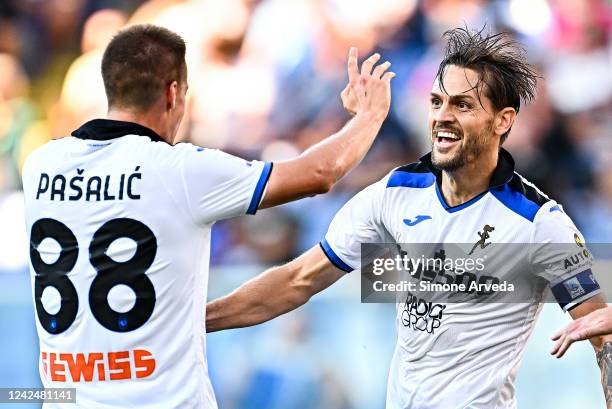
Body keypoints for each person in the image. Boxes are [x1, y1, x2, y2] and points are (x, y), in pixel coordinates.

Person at [206, 27, 612, 408]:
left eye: (463, 105)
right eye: (437, 102)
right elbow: (297, 280)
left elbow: (602, 334)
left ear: (503, 120)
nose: (442, 116)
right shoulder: (395, 193)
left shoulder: (538, 221)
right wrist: (196, 320)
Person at [21, 24, 394, 408]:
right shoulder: (178, 170)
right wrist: (370, 115)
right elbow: (319, 173)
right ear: (173, 94)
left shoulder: (40, 166)